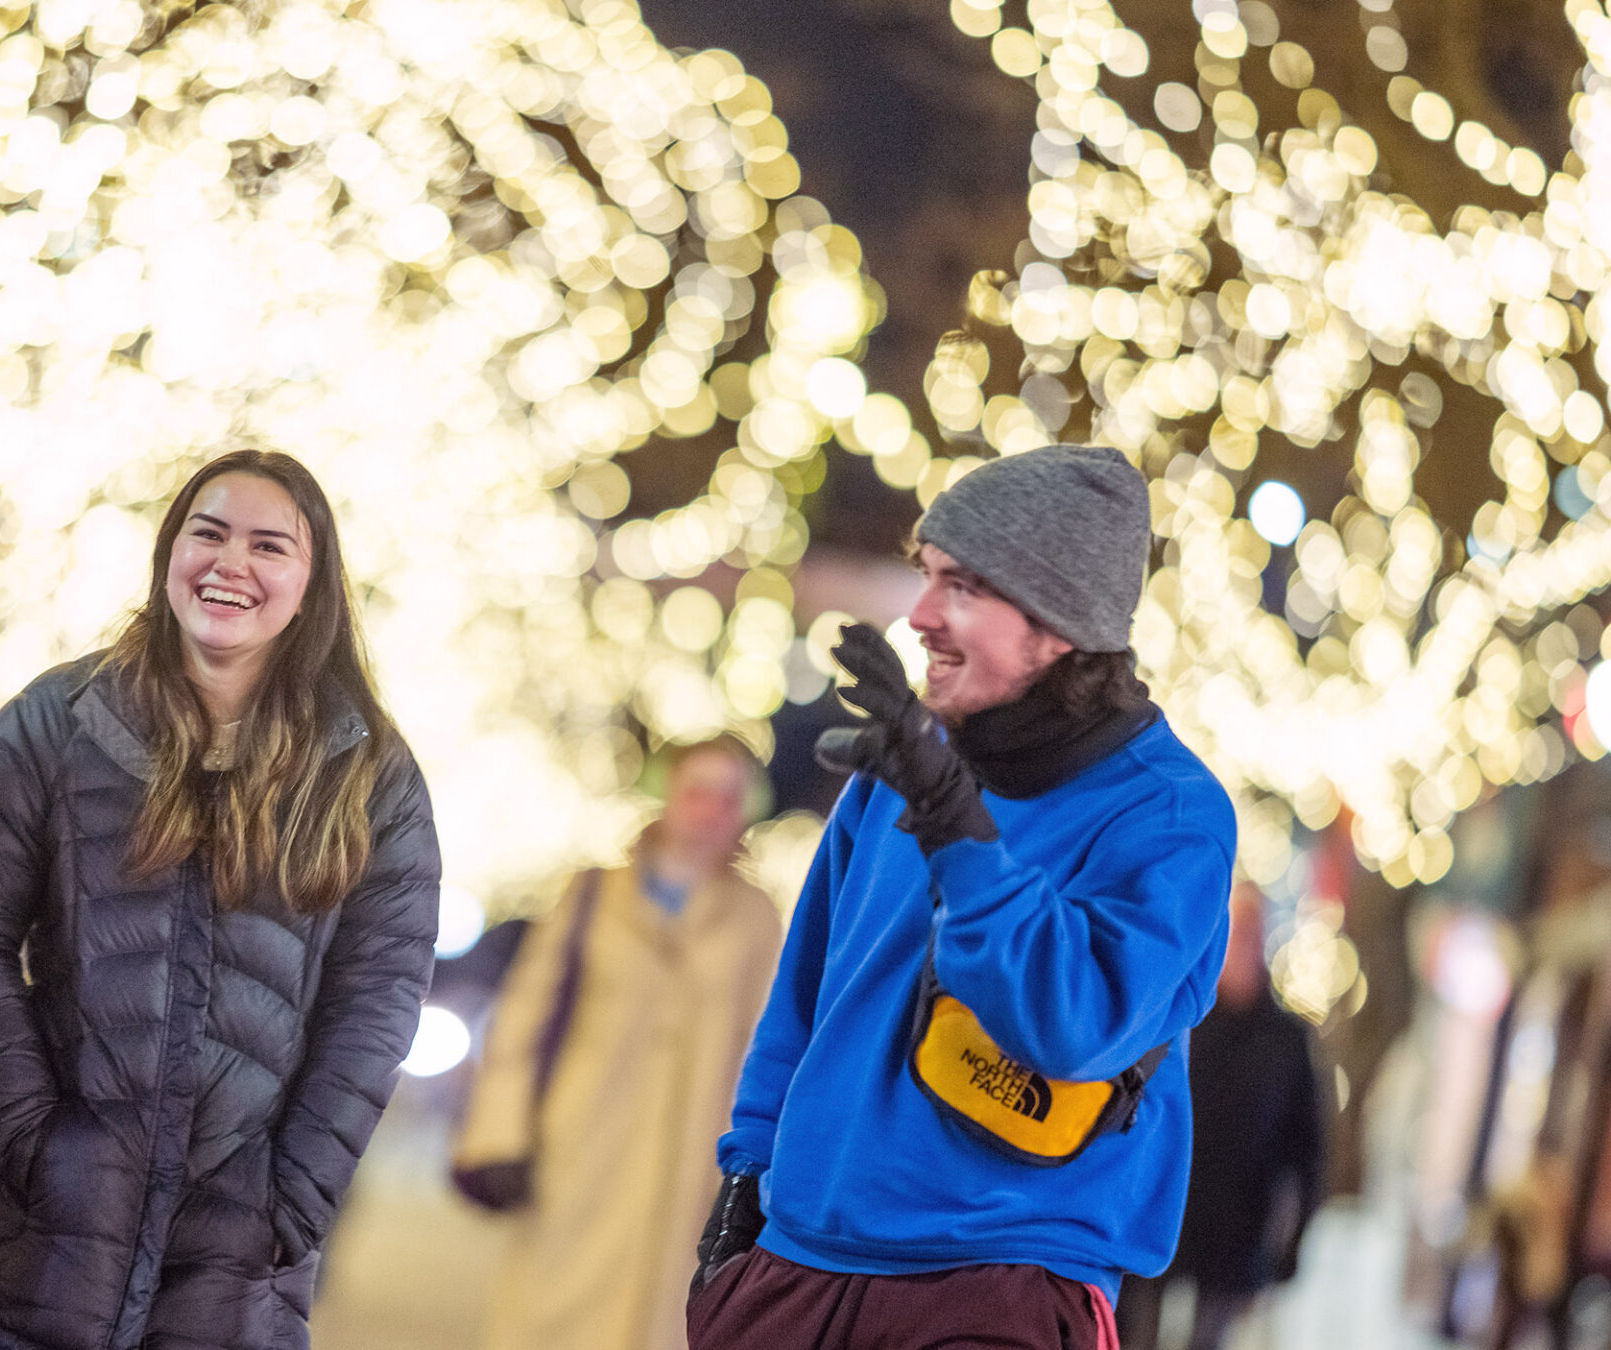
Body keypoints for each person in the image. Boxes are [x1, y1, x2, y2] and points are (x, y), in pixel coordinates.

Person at [689, 445, 1238, 1349]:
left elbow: (1072, 1022)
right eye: (926, 576)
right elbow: (806, 1000)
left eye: (966, 588)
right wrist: (747, 1186)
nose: (921, 616)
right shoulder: (898, 769)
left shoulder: (1169, 815)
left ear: (1059, 622)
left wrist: (959, 831)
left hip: (999, 1287)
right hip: (796, 1269)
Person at [0, 449, 441, 1350]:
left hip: (232, 1275)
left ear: (312, 585)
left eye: (269, 546)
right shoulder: (60, 719)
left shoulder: (368, 774)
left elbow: (381, 995)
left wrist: (294, 1195)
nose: (231, 563)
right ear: (170, 554)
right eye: (209, 533)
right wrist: (32, 1137)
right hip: (35, 1251)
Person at [452, 736, 781, 1350]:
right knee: (551, 1316)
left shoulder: (757, 916)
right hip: (579, 1153)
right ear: (669, 795)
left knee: (668, 1320)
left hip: (691, 1170)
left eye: (730, 796)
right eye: (699, 790)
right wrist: (499, 1135)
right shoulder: (591, 894)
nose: (712, 809)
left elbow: (769, 1048)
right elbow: (525, 1018)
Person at [1116, 883, 1326, 1350]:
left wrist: (1291, 1247)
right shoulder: (1183, 1016)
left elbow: (1306, 1148)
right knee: (1136, 1335)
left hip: (1235, 1236)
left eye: (1253, 927)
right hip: (1163, 1217)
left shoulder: (1286, 1041)